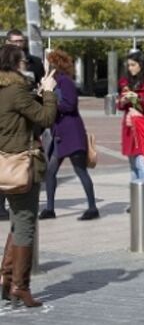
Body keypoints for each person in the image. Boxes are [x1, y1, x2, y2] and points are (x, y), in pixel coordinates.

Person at [0, 44, 57, 307]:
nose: (27, 64)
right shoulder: (16, 90)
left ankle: (7, 278)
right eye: (23, 61)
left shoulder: (6, 89)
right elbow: (46, 117)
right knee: (25, 224)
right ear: (15, 63)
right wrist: (47, 92)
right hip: (21, 163)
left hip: (5, 162)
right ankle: (20, 287)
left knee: (16, 221)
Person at [37, 49, 99, 221]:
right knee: (50, 171)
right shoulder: (54, 82)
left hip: (72, 133)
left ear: (55, 65)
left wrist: (51, 101)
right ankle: (49, 208)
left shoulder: (65, 82)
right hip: (59, 135)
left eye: (48, 63)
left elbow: (69, 105)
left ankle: (92, 207)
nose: (46, 66)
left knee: (80, 170)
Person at [0, 30, 45, 221]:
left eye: (22, 41)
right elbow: (46, 117)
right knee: (25, 221)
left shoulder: (35, 62)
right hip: (13, 131)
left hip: (27, 120)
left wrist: (39, 94)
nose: (19, 44)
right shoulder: (11, 85)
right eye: (15, 41)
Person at [117, 50, 144, 183]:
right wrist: (123, 101)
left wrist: (138, 98)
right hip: (130, 127)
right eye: (128, 65)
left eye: (132, 65)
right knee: (133, 166)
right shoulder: (127, 82)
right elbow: (120, 105)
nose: (130, 68)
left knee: (142, 165)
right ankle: (137, 202)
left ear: (141, 65)